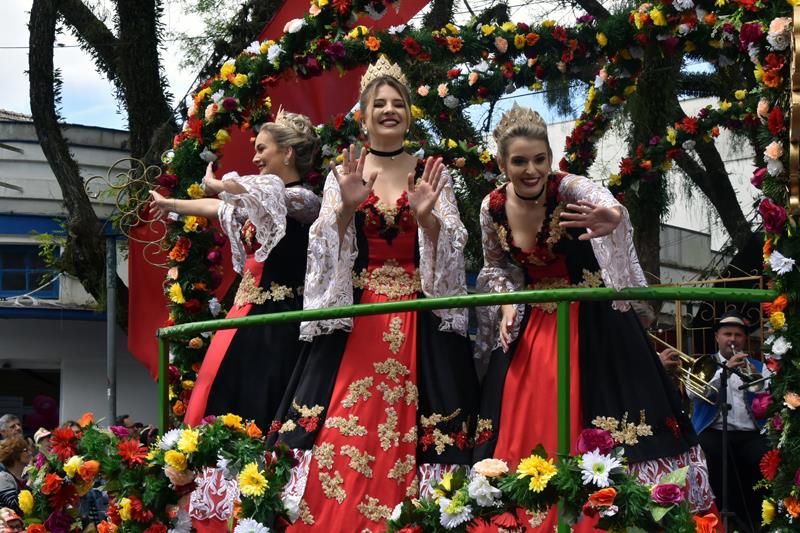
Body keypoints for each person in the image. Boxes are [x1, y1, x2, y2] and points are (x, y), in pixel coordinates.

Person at [473, 104, 713, 529]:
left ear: (551, 156)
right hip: (533, 332)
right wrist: (508, 302)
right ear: (501, 163)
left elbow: (604, 202)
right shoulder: (491, 209)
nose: (532, 170)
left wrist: (614, 217)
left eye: (540, 159)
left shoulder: (570, 188)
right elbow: (495, 268)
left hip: (594, 326)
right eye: (520, 161)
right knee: (525, 422)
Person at [268, 57, 479, 530]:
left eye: (397, 103)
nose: (389, 110)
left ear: (409, 115)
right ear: (362, 117)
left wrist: (426, 216)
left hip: (419, 316)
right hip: (359, 317)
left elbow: (453, 248)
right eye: (378, 104)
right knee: (342, 415)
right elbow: (323, 245)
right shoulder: (343, 172)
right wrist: (344, 208)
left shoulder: (430, 173)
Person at [151, 109, 321, 430]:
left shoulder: (302, 200)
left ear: (286, 153)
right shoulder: (257, 202)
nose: (255, 157)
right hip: (245, 313)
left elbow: (269, 195)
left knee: (261, 398)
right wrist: (170, 204)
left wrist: (219, 183)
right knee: (219, 388)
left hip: (278, 320)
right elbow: (219, 207)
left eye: (261, 149)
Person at [688, 310, 769, 532]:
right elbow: (693, 393)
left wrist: (757, 377)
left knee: (764, 461)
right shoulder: (703, 364)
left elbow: (770, 398)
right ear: (717, 337)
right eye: (727, 334)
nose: (732, 339)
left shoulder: (759, 366)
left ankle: (756, 521)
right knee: (713, 461)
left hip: (750, 433)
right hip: (713, 430)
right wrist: (724, 374)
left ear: (744, 339)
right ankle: (714, 521)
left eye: (738, 335)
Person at [0, 436, 31, 514]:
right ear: (15, 454)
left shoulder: (25, 476)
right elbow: (15, 507)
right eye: (25, 450)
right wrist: (30, 483)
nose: (30, 453)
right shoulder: (3, 478)